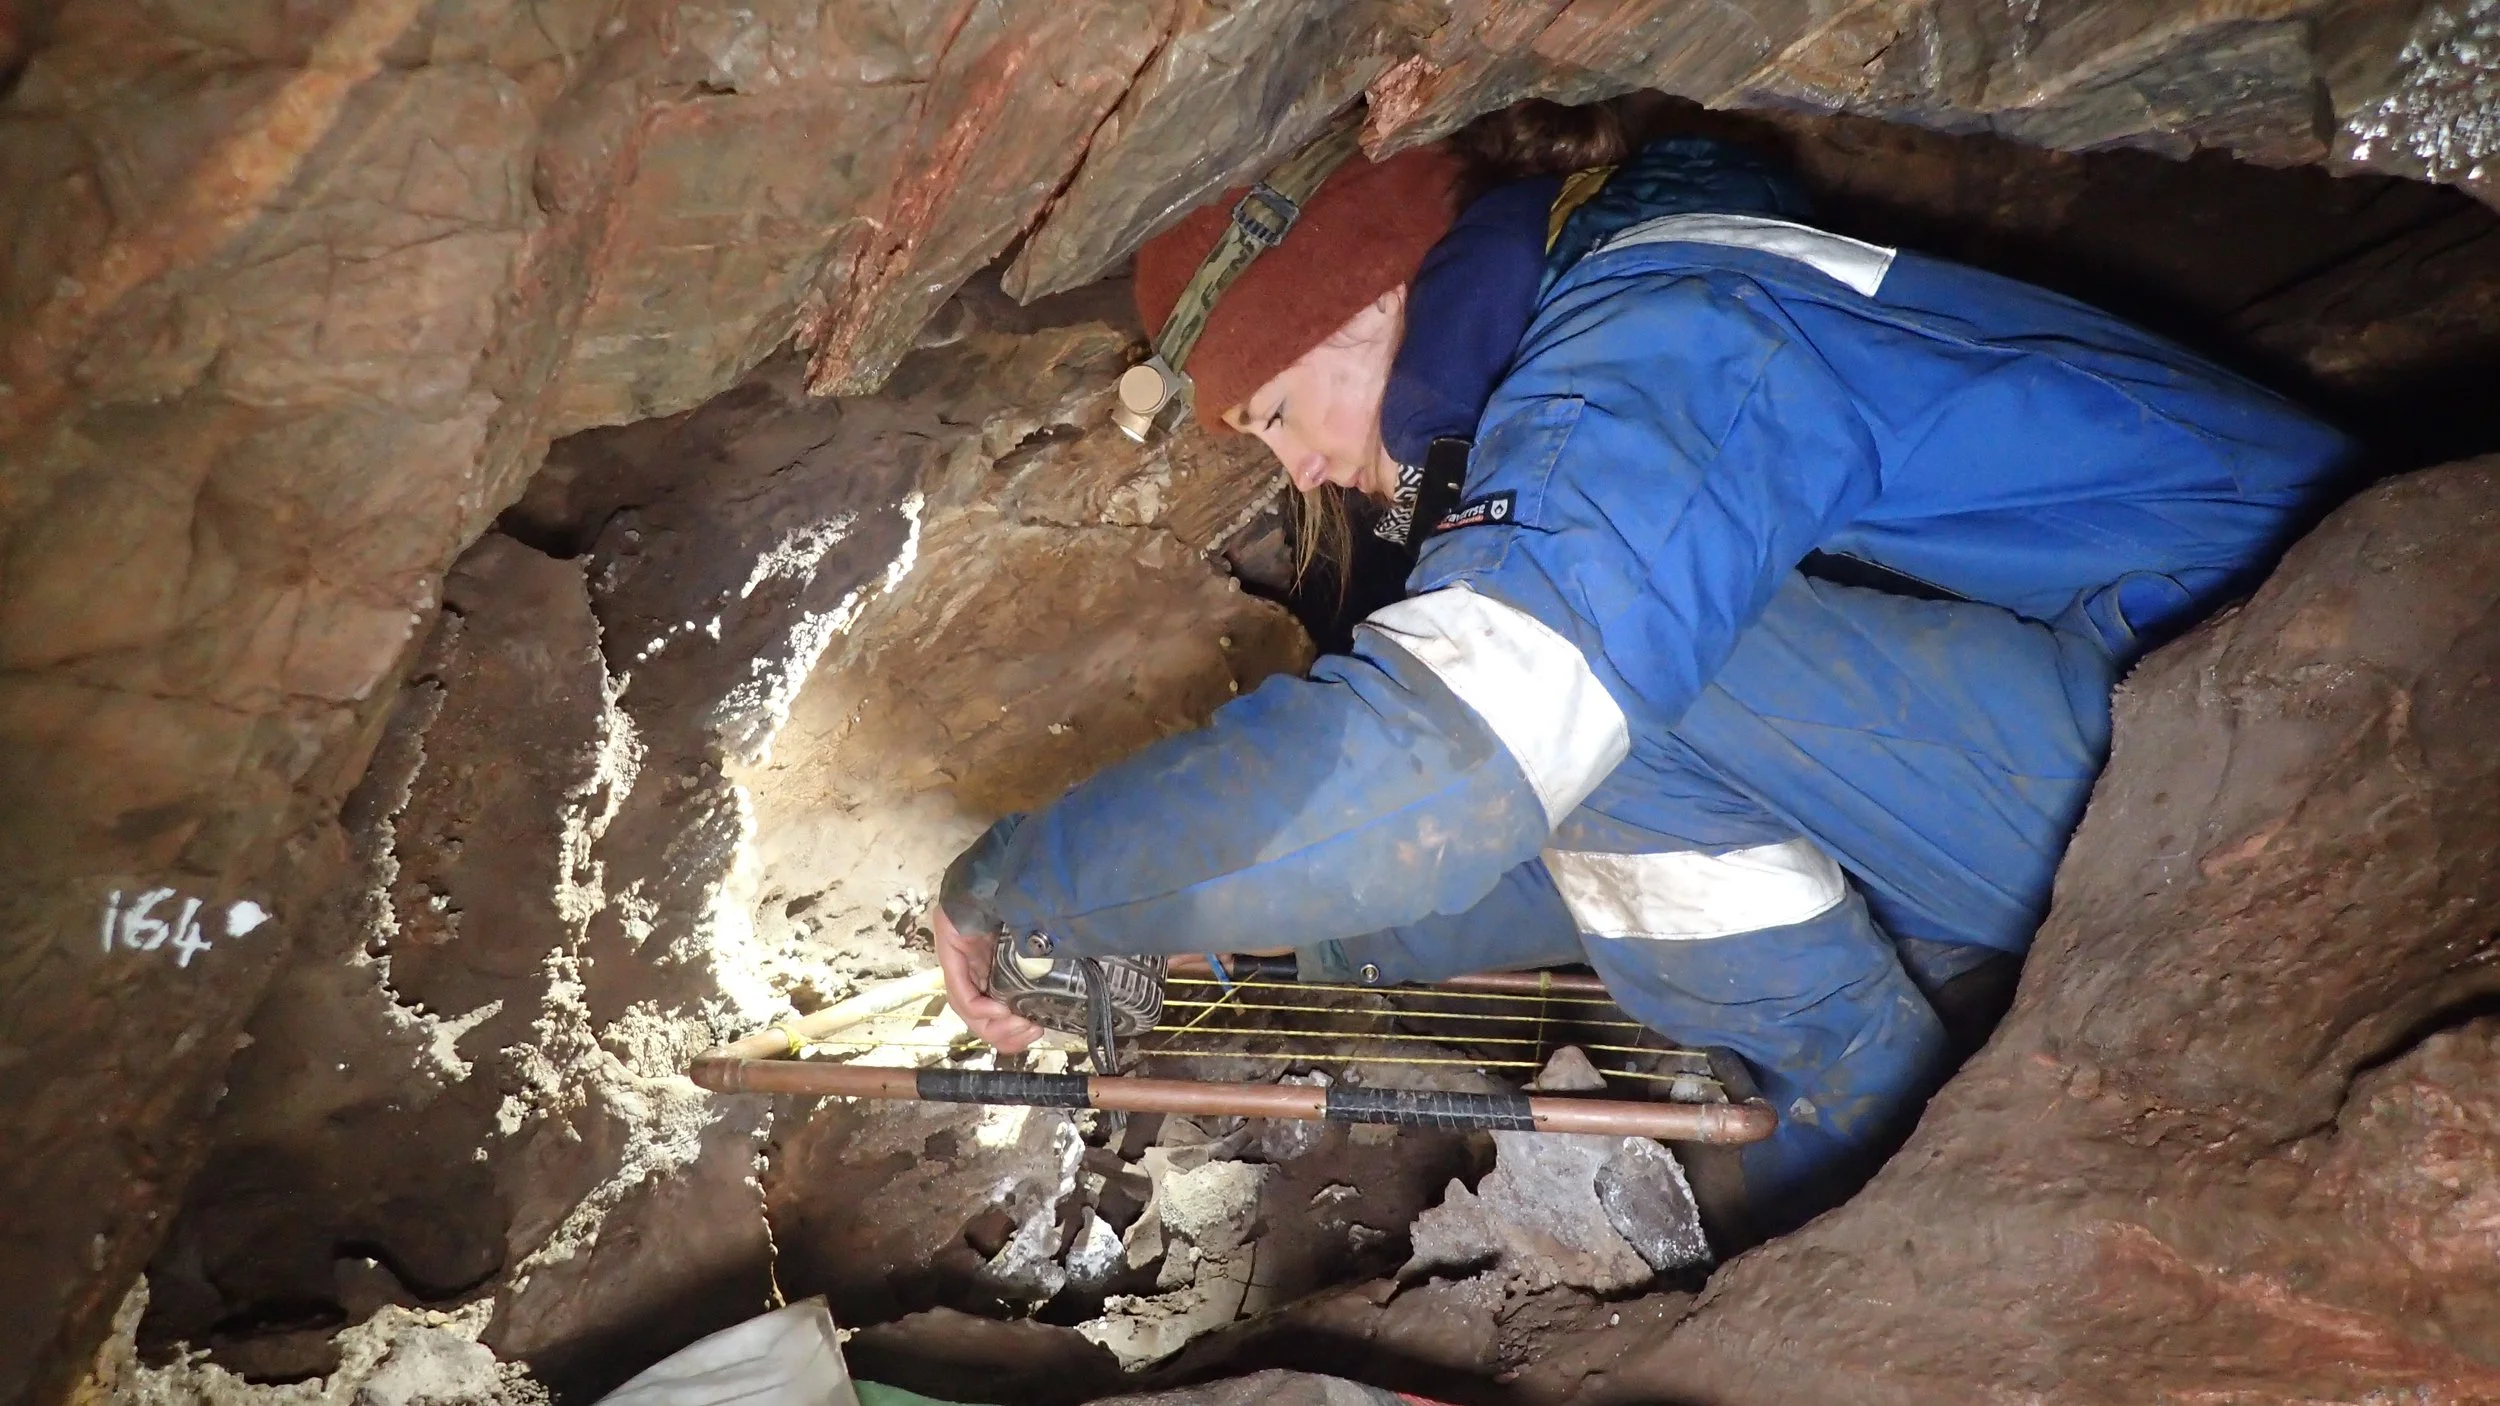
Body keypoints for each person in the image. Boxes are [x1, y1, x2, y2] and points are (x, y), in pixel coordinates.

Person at [929, 109, 2356, 1236]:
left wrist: (1031, 879)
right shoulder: (1644, 312)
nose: (1298, 470)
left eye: (1281, 412)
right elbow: (1602, 815)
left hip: (2287, 723)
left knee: (1555, 686)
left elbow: (1464, 769)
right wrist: (1251, 939)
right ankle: (1869, 1134)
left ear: (1368, 300)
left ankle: (1872, 1154)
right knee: (1587, 691)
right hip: (2158, 727)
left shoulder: (1653, 332)